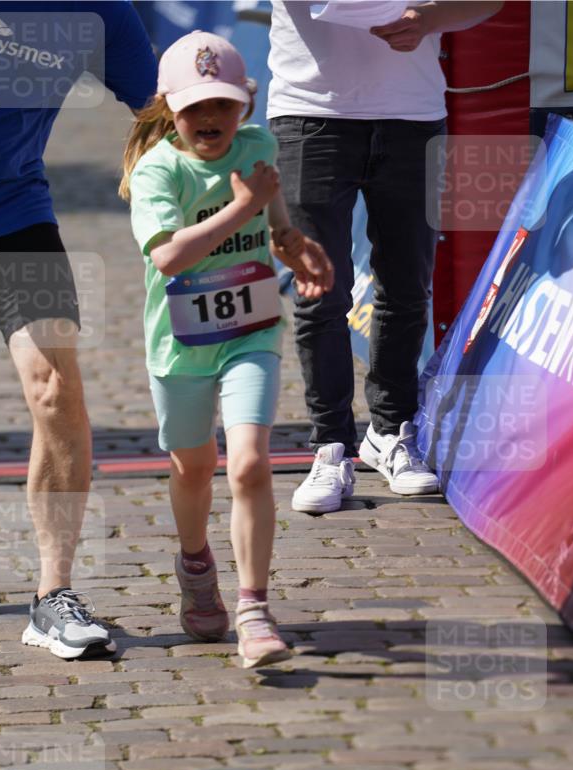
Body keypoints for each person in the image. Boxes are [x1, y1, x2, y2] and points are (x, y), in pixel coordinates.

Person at [120, 30, 334, 668]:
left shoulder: (258, 145)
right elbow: (167, 256)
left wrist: (296, 246)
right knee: (192, 467)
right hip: (181, 343)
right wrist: (241, 208)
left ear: (246, 102)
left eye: (222, 105)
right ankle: (194, 564)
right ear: (168, 108)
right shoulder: (160, 168)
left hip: (251, 331)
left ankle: (254, 608)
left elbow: (273, 224)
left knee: (247, 464)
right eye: (194, 109)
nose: (209, 120)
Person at [0, 2, 158, 657]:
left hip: (12, 209)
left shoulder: (99, 10)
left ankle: (53, 598)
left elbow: (158, 111)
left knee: (55, 389)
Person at [268, 0, 504, 514]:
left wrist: (431, 20)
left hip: (412, 114)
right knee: (318, 290)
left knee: (406, 286)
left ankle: (392, 431)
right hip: (312, 112)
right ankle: (330, 446)